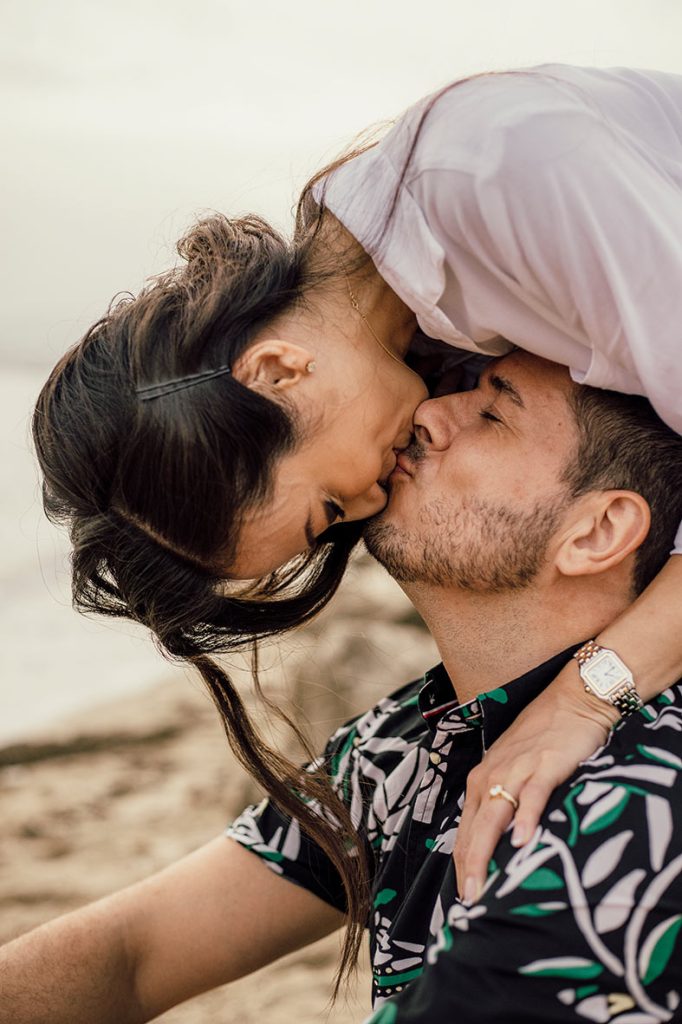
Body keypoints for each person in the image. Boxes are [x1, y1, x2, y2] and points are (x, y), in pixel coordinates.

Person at [31, 63, 682, 954]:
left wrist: (583, 698)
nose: (373, 503)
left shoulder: (500, 181)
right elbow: (131, 953)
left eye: (329, 504)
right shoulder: (419, 300)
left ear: (278, 372)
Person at [4, 352, 682, 1022]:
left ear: (597, 531)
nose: (428, 414)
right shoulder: (409, 741)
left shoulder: (632, 806)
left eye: (491, 412)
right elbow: (135, 952)